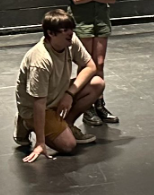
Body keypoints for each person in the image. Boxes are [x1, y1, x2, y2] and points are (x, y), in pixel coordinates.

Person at [14, 9, 105, 161]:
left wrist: (69, 94)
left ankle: (67, 124)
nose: (70, 33)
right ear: (51, 33)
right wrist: (40, 143)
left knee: (97, 83)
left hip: (58, 93)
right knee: (68, 145)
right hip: (37, 106)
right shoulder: (40, 60)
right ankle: (26, 121)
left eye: (71, 29)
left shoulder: (70, 41)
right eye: (65, 30)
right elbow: (38, 103)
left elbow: (90, 66)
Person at [63, 0, 119, 127]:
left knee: (100, 63)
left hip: (101, 17)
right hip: (82, 19)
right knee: (87, 64)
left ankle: (99, 104)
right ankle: (85, 107)